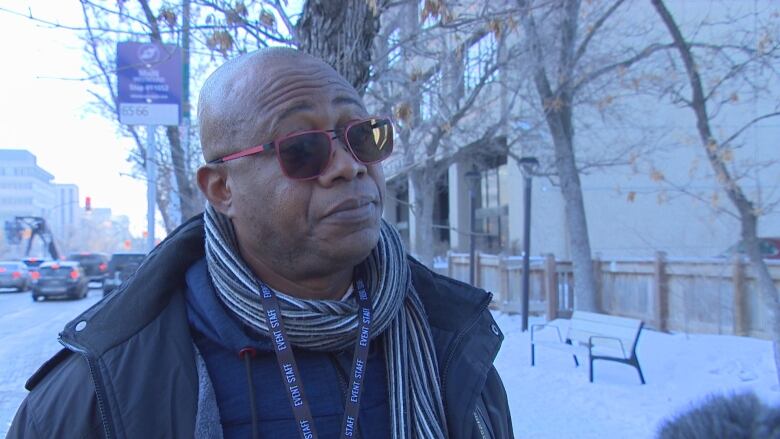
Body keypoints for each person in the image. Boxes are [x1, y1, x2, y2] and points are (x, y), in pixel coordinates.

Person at [7, 48, 513, 439]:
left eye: (363, 136)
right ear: (222, 189)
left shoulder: (453, 340)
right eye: (302, 147)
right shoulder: (103, 387)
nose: (350, 165)